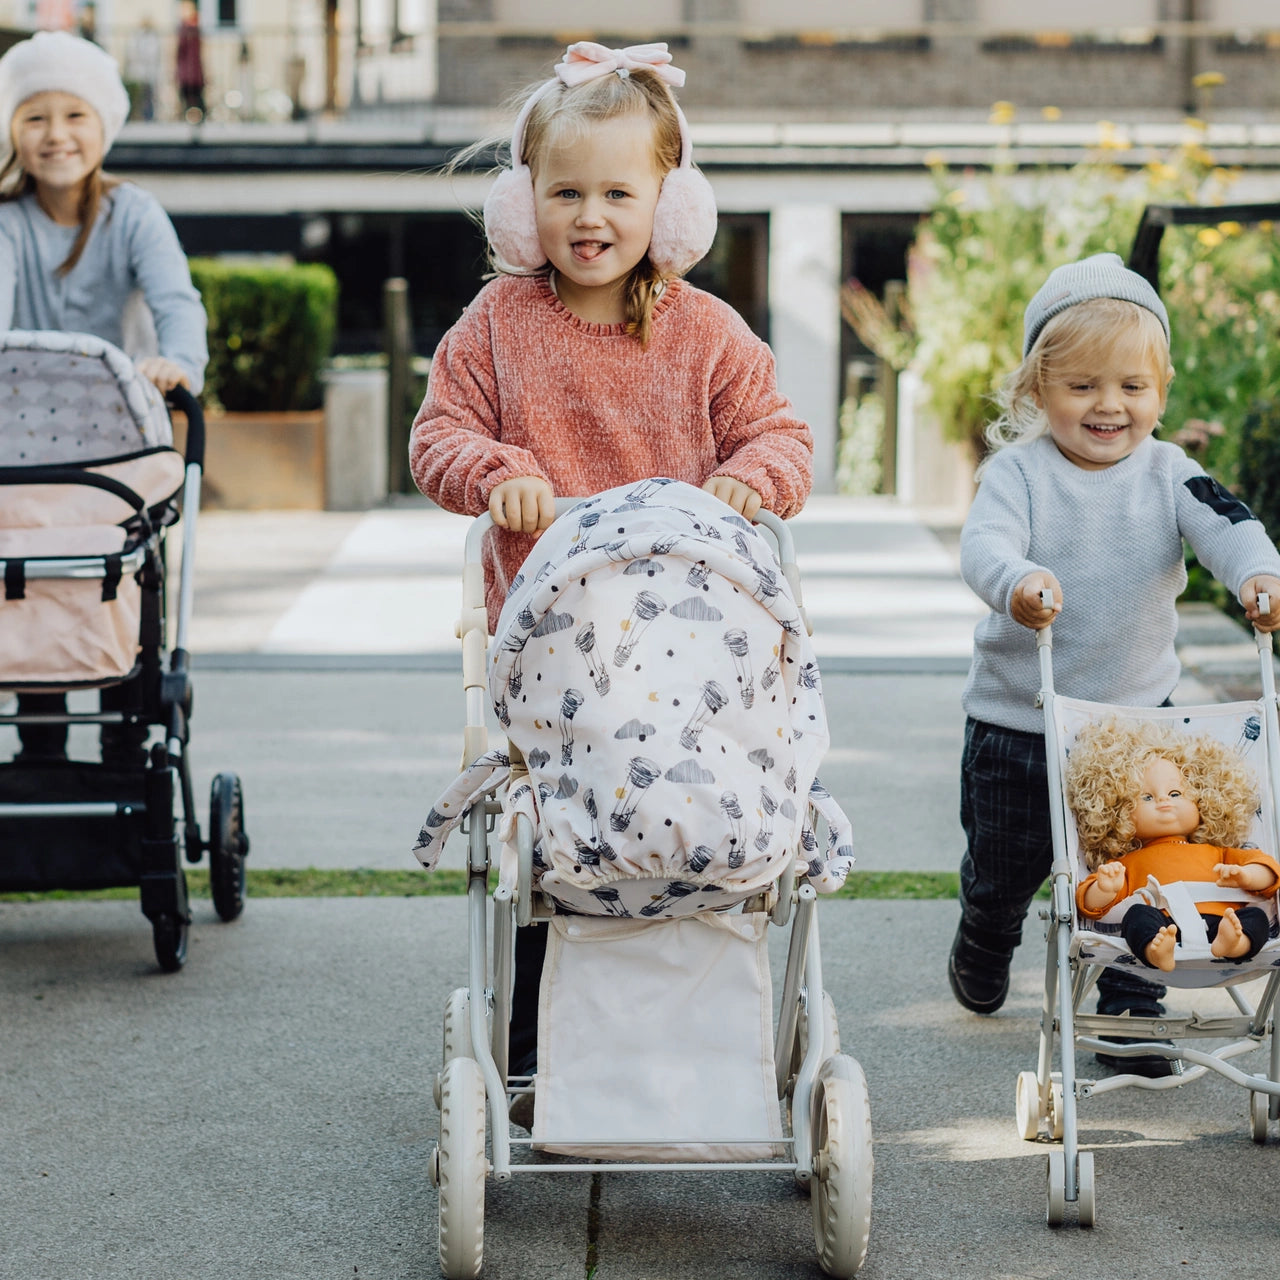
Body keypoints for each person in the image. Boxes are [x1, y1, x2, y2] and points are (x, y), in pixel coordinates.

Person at [409, 41, 814, 1122]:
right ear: (521, 203)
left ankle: (716, 1046)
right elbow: (436, 435)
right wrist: (498, 472)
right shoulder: (495, 328)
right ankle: (537, 1048)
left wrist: (743, 481)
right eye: (564, 191)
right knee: (555, 838)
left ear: (668, 206)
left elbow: (780, 434)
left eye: (618, 193)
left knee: (713, 818)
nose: (590, 216)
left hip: (692, 655)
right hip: (552, 653)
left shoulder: (706, 331)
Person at [950, 252, 1280, 1073]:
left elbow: (1230, 527)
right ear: (1036, 390)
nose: (1110, 406)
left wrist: (1258, 574)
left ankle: (1133, 1015)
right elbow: (984, 543)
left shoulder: (1173, 474)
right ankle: (985, 941)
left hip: (1137, 731)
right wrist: (1016, 582)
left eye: (1133, 387)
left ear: (1160, 393)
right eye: (1084, 386)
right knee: (1004, 873)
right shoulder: (1018, 474)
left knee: (1140, 872)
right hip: (1019, 723)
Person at [0, 30, 208, 764]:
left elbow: (175, 299)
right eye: (34, 117)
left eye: (74, 115)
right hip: (19, 451)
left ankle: (124, 755)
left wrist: (178, 364)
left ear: (104, 123)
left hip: (117, 444)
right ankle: (39, 759)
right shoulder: (6, 222)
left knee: (121, 586)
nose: (56, 135)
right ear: (11, 130)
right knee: (31, 591)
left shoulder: (133, 214)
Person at [1068, 718, 1279, 970]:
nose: (1163, 801)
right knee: (1137, 917)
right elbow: (1088, 904)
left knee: (1254, 918)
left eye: (1175, 794)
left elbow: (1268, 872)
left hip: (1223, 921)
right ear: (1118, 811)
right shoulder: (1127, 863)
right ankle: (1154, 951)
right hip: (1163, 925)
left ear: (1202, 798)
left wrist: (1246, 876)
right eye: (1147, 797)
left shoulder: (1218, 853)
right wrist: (1105, 887)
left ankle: (1236, 943)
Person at [176, 1, 206, 124]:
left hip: (191, 70)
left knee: (193, 95)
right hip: (189, 70)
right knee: (188, 95)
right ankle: (191, 118)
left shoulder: (191, 29)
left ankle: (195, 118)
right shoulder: (188, 28)